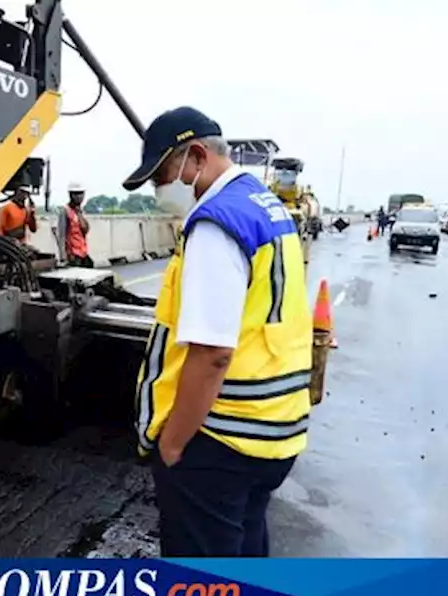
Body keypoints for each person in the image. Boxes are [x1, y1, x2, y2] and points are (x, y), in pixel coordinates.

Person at [123, 106, 312, 557]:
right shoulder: (264, 206)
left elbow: (211, 354)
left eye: (162, 176)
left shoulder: (215, 224)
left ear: (197, 157)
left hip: (221, 438)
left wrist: (172, 443)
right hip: (275, 428)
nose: (159, 191)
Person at [61, 183, 93, 267]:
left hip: (83, 252)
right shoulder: (65, 211)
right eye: (76, 194)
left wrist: (79, 214)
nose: (79, 197)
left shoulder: (80, 211)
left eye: (81, 193)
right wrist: (64, 255)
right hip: (73, 254)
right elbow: (61, 234)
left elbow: (85, 229)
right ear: (71, 195)